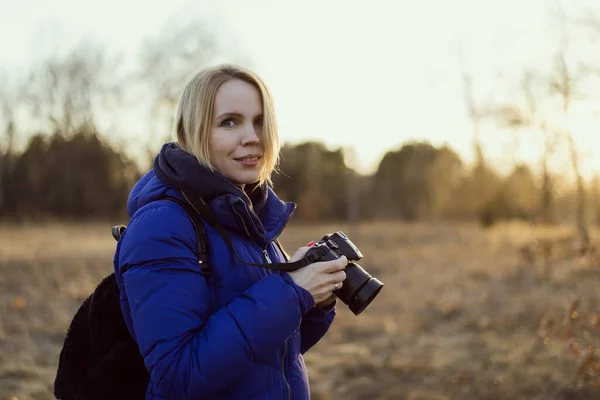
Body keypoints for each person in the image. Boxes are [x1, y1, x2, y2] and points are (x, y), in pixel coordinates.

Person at [113, 64, 348, 400]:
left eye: (259, 121)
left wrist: (314, 302)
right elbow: (178, 374)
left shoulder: (248, 214)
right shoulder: (162, 225)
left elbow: (269, 357)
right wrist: (291, 292)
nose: (252, 136)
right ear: (192, 132)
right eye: (229, 122)